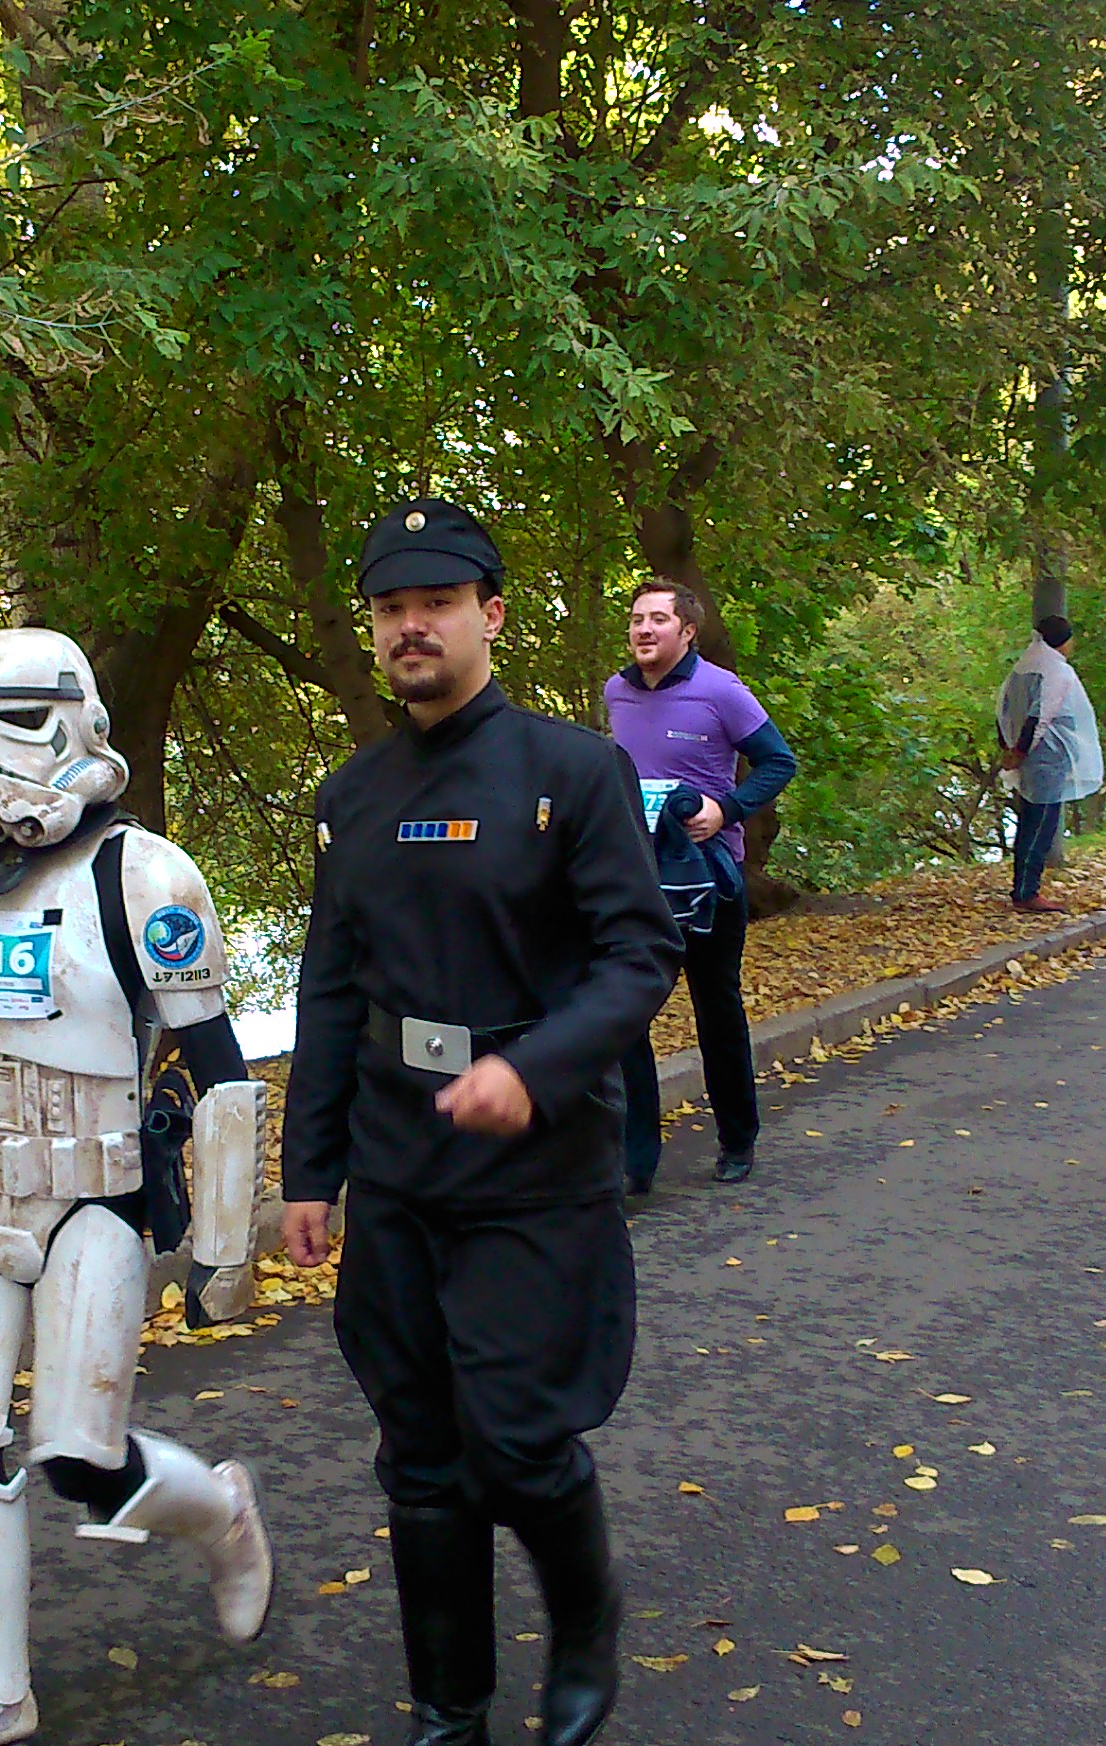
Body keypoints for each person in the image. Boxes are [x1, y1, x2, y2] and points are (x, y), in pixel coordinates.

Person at [280, 498, 680, 1746]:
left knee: (513, 1438)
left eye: (437, 604)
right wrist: (309, 1169)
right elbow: (329, 991)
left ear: (488, 616)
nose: (412, 627)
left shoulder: (572, 772)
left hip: (532, 1161)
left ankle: (584, 1628)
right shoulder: (350, 796)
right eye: (391, 609)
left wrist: (534, 1069)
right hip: (399, 1161)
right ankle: (448, 1708)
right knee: (418, 1449)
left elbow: (636, 954)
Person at [0, 629, 275, 1746]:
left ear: (79, 721)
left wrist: (221, 1247)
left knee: (84, 1461)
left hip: (97, 1193)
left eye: (15, 721)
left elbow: (219, 1070)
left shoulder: (143, 876)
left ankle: (221, 1515)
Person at [606, 581, 798, 1190]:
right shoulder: (616, 692)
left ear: (687, 632)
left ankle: (737, 1139)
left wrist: (726, 810)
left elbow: (778, 761)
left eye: (657, 620)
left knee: (716, 1012)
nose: (643, 629)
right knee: (626, 1015)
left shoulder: (720, 690)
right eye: (636, 619)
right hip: (638, 880)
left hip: (709, 879)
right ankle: (635, 1163)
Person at [994, 615, 1106, 914]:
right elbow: (1040, 716)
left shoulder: (1023, 666)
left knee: (1028, 822)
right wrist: (1020, 751)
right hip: (1045, 757)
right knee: (1041, 824)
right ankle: (1026, 892)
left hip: (1031, 756)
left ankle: (1022, 887)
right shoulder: (1056, 670)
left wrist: (1006, 746)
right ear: (1063, 641)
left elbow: (1002, 708)